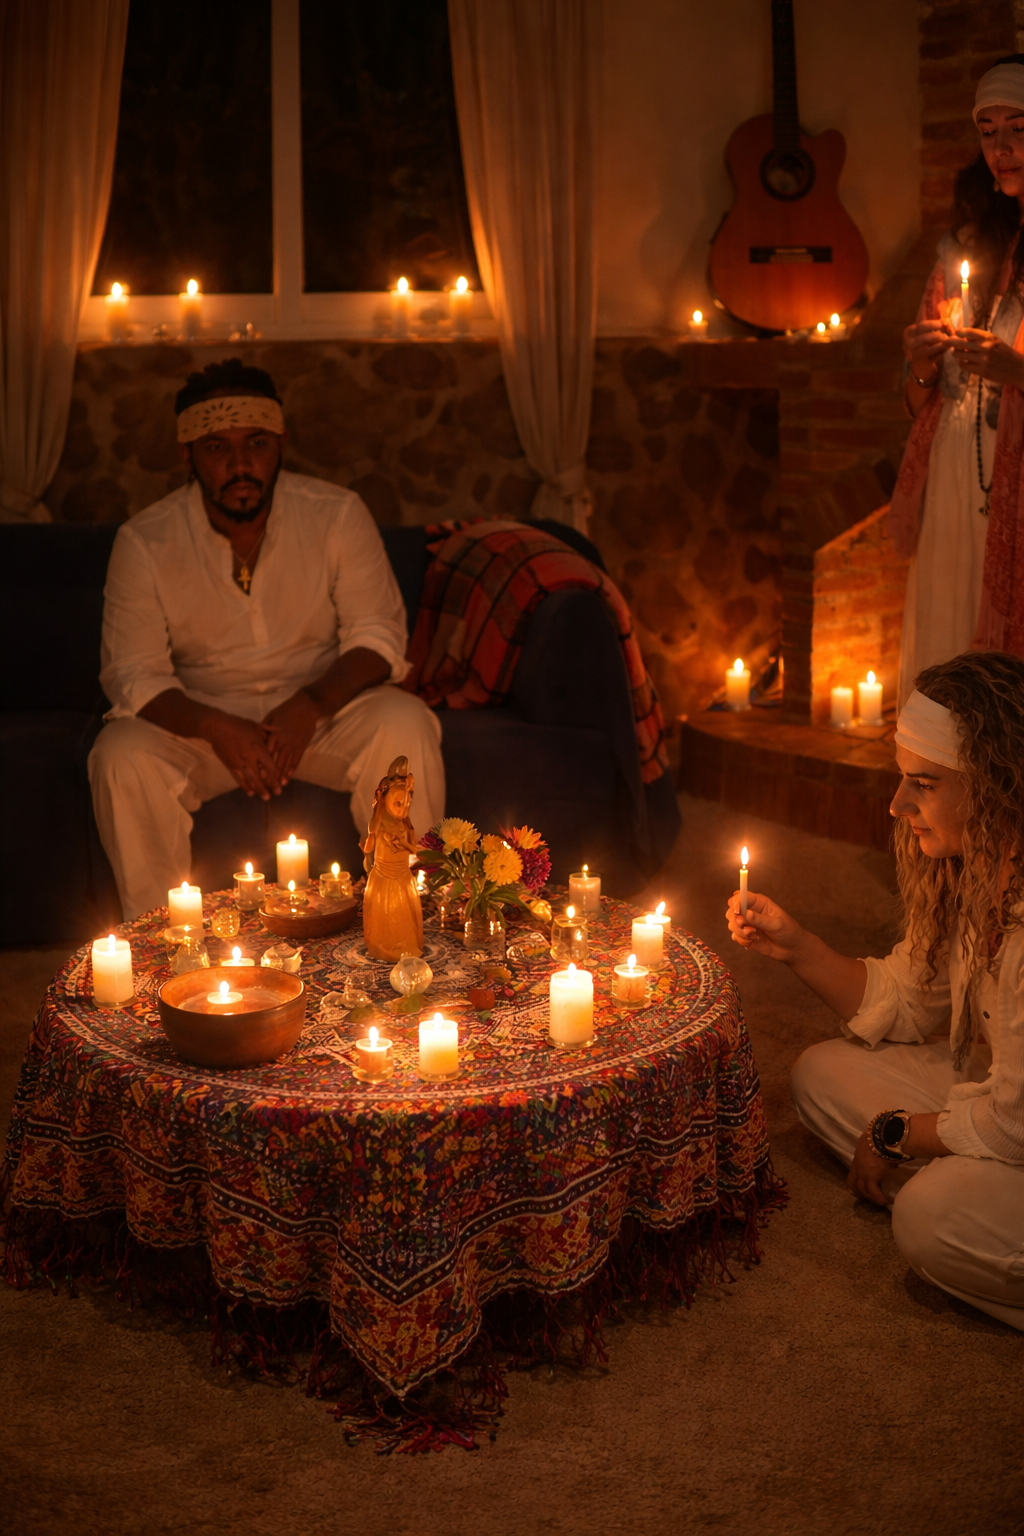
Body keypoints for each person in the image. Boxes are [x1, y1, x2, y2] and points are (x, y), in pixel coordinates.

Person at [726, 651, 1024, 1329]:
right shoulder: (978, 864)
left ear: (996, 784)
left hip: (1018, 1123)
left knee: (928, 1217)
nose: (898, 805)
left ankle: (957, 1197)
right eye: (901, 780)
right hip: (1005, 1098)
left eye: (923, 783)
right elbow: (916, 1000)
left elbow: (1015, 1124)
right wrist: (797, 946)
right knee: (820, 1072)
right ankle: (968, 1188)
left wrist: (897, 1135)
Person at [89, 358, 444, 920]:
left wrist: (311, 704)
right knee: (120, 754)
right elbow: (132, 671)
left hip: (323, 713)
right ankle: (158, 943)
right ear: (187, 455)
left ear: (280, 443)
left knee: (405, 724)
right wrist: (214, 726)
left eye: (255, 442)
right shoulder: (145, 540)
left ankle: (408, 915)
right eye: (216, 447)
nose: (239, 464)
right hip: (204, 723)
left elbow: (378, 636)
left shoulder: (335, 514)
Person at [893, 57, 1024, 703]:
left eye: (1019, 129)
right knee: (948, 650)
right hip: (952, 479)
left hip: (1016, 488)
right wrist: (919, 361)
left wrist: (1017, 371)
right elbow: (920, 399)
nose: (1001, 149)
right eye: (988, 131)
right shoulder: (968, 241)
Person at [361, 755, 424, 961]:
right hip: (383, 876)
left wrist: (403, 844)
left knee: (404, 921)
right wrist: (371, 846)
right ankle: (385, 948)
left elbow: (413, 850)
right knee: (386, 918)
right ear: (385, 798)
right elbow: (370, 845)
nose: (403, 809)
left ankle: (404, 949)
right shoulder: (379, 823)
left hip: (403, 877)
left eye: (406, 804)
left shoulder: (405, 824)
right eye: (398, 803)